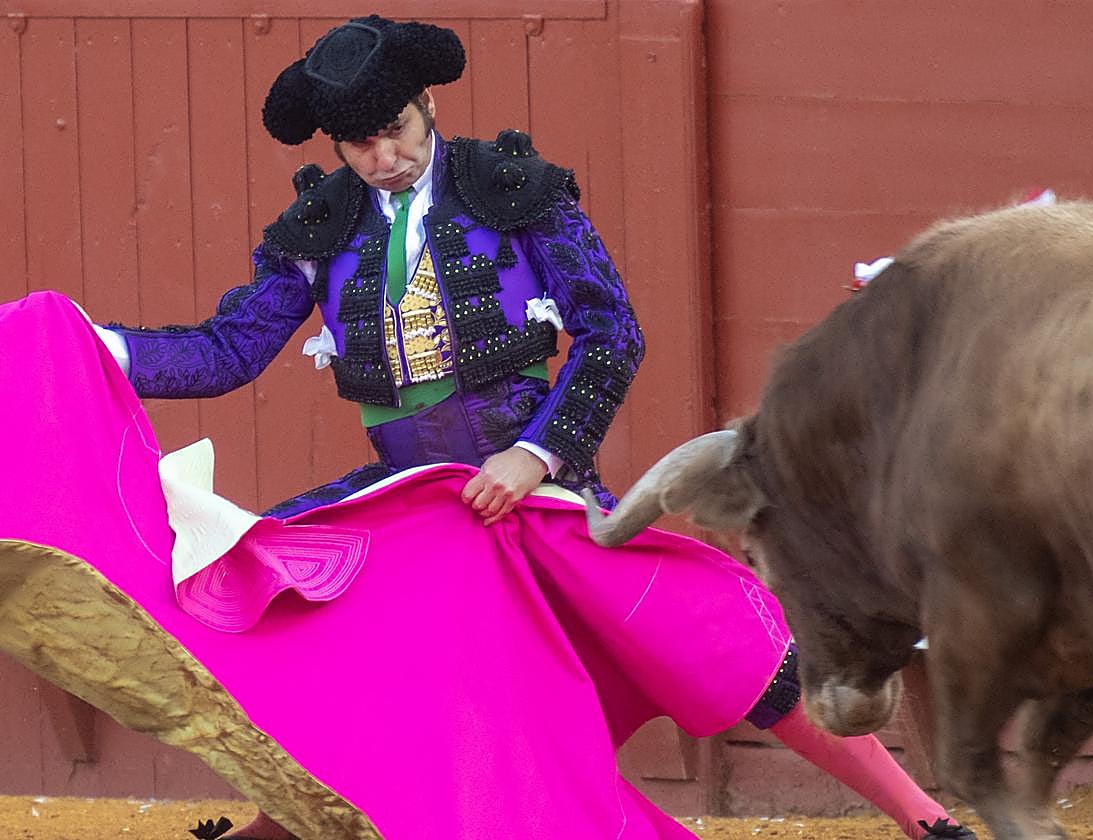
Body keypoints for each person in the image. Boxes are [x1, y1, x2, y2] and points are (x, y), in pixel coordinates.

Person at [91, 16, 975, 840]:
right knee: (330, 651)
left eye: (396, 129)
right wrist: (100, 348)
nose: (384, 156)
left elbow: (612, 332)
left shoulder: (513, 191)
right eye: (359, 143)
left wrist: (535, 452)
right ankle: (273, 829)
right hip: (415, 505)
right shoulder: (317, 228)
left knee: (714, 638)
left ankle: (922, 817)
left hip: (535, 491)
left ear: (427, 104)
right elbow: (229, 350)